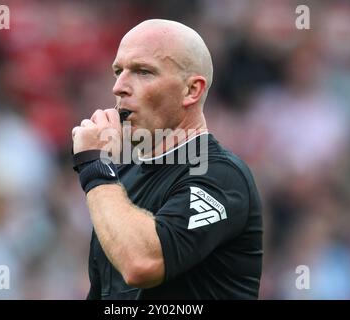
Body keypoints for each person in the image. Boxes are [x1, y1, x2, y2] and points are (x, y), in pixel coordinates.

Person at [71, 19, 263, 299]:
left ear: (191, 90)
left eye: (143, 72)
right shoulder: (119, 180)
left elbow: (142, 263)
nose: (119, 87)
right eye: (118, 71)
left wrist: (95, 167)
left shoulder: (220, 177)